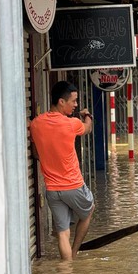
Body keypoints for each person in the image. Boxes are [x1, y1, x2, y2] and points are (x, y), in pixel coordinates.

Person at [29, 81, 94, 260]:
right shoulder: (71, 123)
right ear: (61, 101)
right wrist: (88, 115)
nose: (75, 104)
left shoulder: (35, 124)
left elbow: (36, 154)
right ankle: (74, 253)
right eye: (73, 101)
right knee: (88, 211)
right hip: (73, 185)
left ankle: (66, 272)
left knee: (62, 233)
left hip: (52, 190)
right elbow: (87, 128)